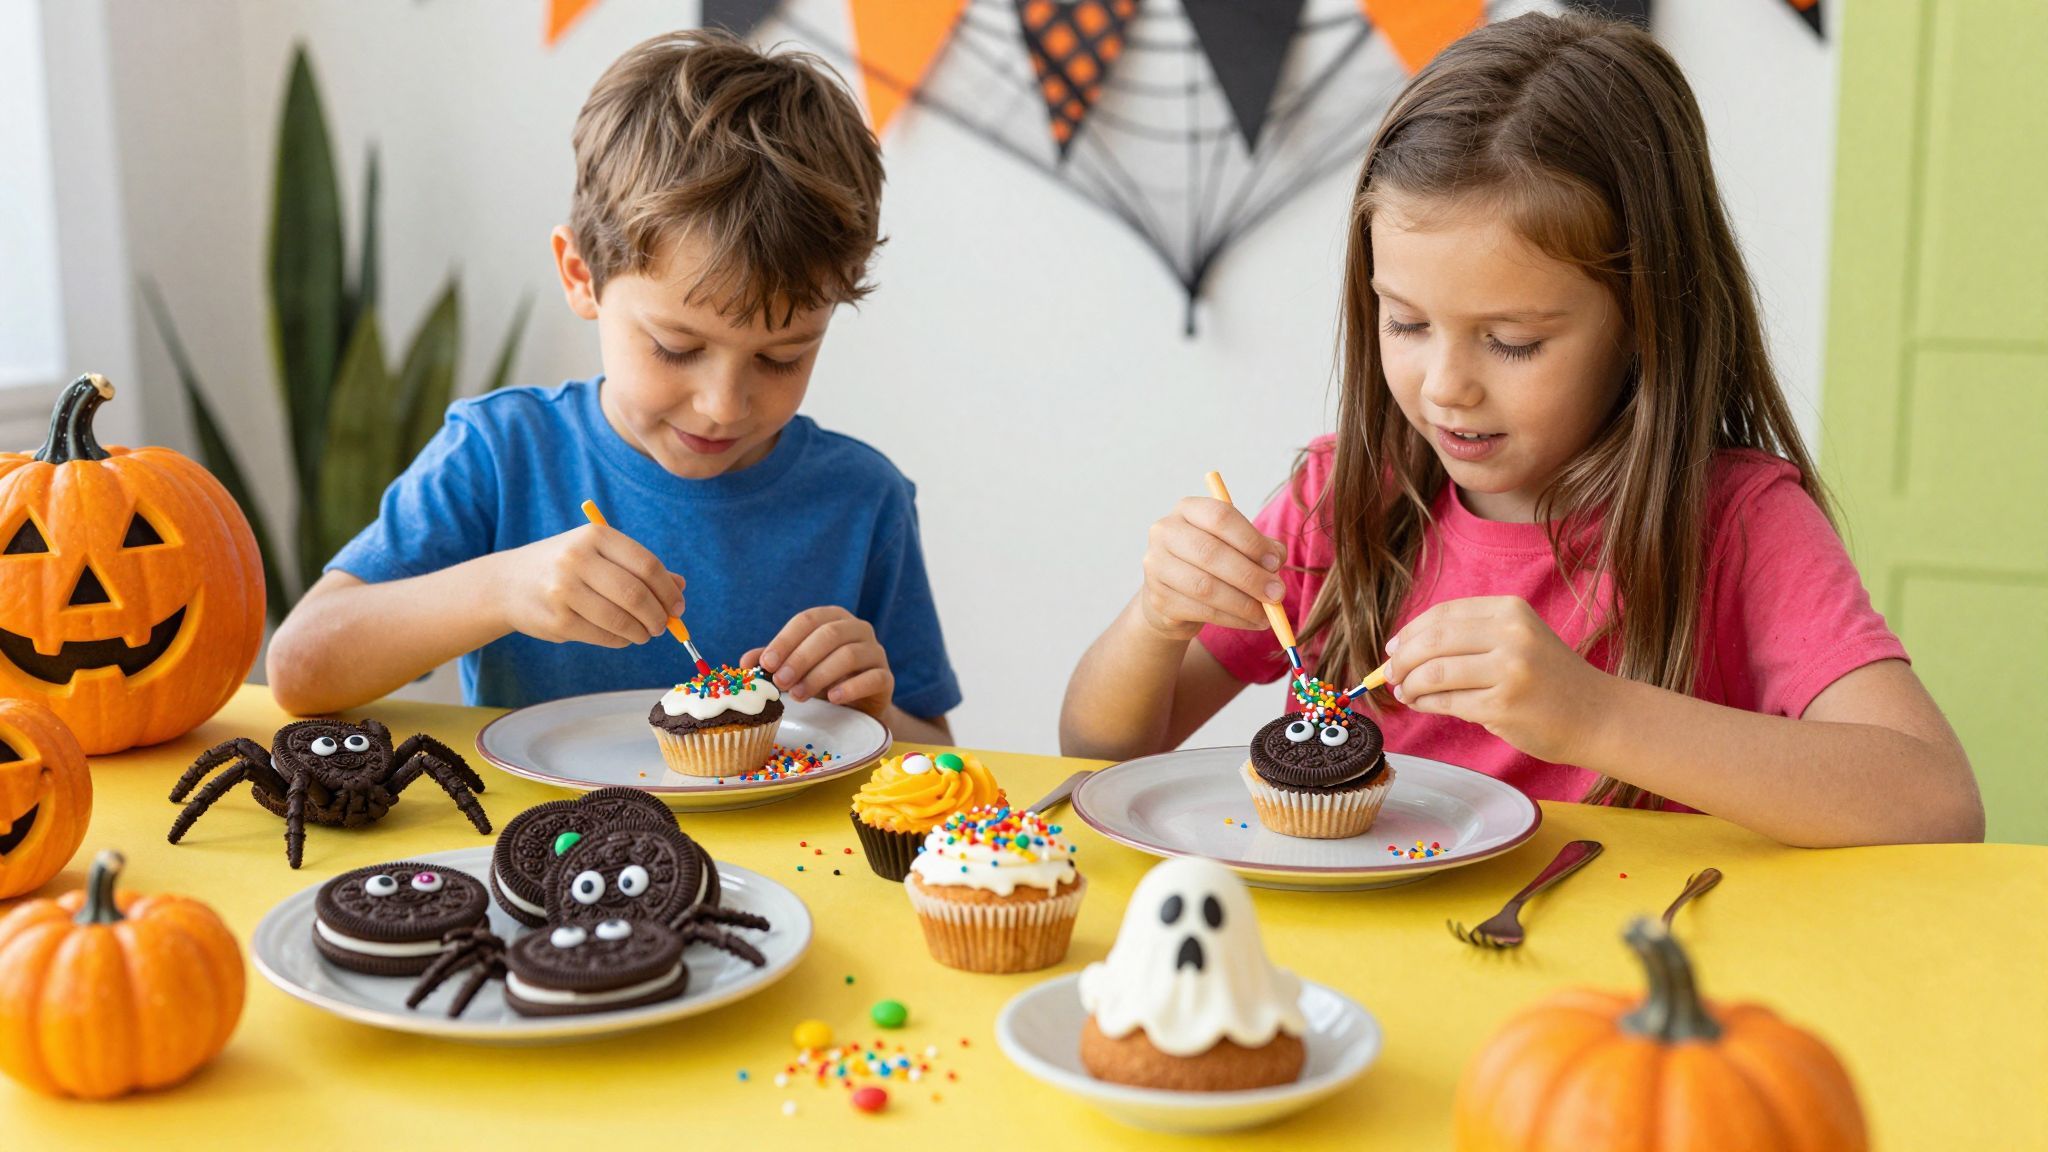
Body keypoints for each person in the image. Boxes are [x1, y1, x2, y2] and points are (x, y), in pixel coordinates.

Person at [1060, 12, 1979, 847]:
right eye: (1407, 324)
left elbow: (1934, 804)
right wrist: (1156, 616)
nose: (1448, 387)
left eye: (1511, 342)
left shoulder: (1737, 522)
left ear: (1643, 318)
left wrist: (1595, 716)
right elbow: (1098, 751)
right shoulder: (1344, 500)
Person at [268, 30, 959, 743]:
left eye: (782, 357)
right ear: (581, 275)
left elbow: (937, 750)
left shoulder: (862, 501)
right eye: (676, 347)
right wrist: (502, 589)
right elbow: (298, 665)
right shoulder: (501, 456)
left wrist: (872, 711)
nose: (723, 405)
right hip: (535, 851)